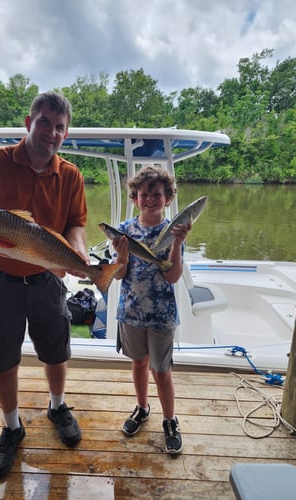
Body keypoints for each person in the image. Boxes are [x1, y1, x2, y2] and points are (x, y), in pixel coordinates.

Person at [0, 91, 88, 479]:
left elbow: (76, 223)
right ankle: (11, 427)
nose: (51, 132)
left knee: (56, 350)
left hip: (48, 276)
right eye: (44, 122)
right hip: (1, 280)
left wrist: (79, 254)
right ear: (28, 123)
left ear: (66, 133)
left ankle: (57, 406)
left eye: (59, 127)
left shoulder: (71, 175)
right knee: (3, 357)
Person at [111, 165, 191, 454]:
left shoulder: (174, 230)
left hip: (162, 314)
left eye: (156, 194)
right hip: (130, 311)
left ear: (167, 198)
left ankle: (170, 420)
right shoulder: (123, 230)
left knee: (162, 371)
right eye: (144, 194)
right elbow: (119, 274)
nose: (150, 199)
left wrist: (178, 243)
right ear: (135, 198)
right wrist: (121, 255)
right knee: (138, 364)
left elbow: (172, 276)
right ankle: (142, 408)